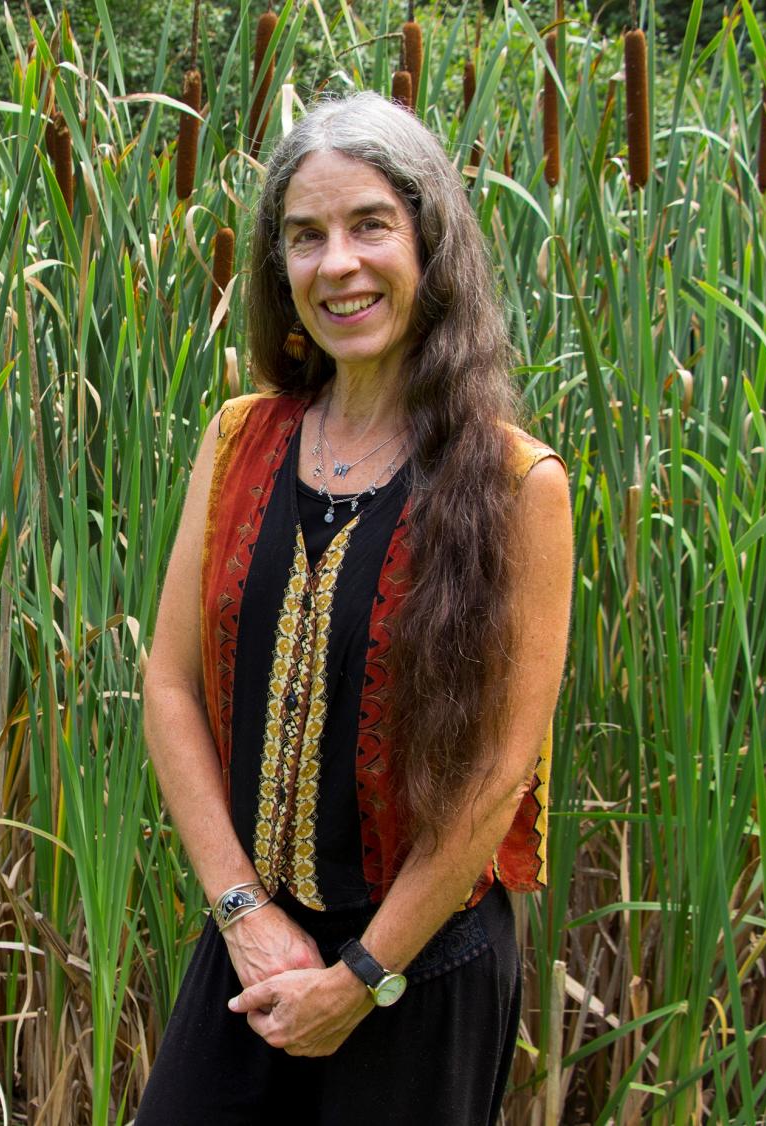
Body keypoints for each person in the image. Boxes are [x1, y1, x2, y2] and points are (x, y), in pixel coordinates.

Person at [136, 92, 572, 1125]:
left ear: (430, 243)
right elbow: (167, 681)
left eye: (369, 224)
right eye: (305, 235)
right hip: (257, 949)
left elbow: (498, 773)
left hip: (422, 968)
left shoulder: (516, 483)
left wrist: (362, 976)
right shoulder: (240, 439)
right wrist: (242, 909)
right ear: (278, 269)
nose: (339, 263)